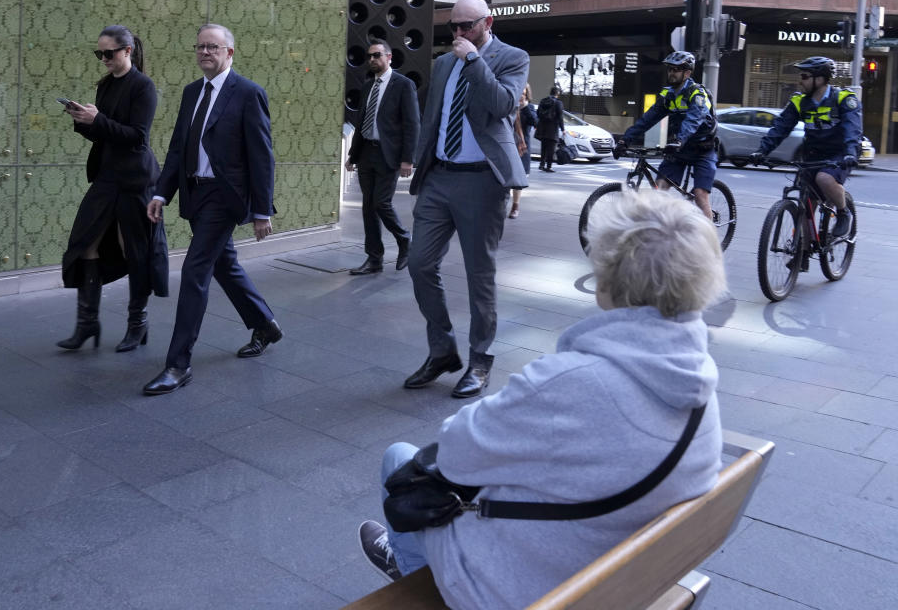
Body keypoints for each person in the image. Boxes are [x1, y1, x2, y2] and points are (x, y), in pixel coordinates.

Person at [358, 190, 726, 609]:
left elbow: (455, 453)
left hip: (527, 593)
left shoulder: (570, 381)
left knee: (399, 458)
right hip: (618, 580)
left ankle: (413, 576)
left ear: (609, 277)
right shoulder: (697, 382)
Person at [404, 0, 529, 399]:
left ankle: (480, 359)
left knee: (480, 276)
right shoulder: (442, 64)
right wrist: (418, 164)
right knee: (420, 263)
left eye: (467, 26)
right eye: (453, 27)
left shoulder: (512, 57)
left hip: (481, 182)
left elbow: (502, 105)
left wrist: (475, 60)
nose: (458, 34)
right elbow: (433, 118)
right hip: (439, 176)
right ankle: (442, 350)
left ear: (487, 23)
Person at [143, 23, 279, 396]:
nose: (205, 52)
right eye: (200, 47)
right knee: (225, 264)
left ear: (229, 53)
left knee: (194, 270)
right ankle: (264, 324)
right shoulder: (191, 93)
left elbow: (261, 156)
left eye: (213, 47)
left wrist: (261, 210)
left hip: (225, 196)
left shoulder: (248, 93)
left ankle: (177, 364)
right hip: (195, 194)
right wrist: (161, 193)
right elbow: (177, 148)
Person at [57, 25, 168, 352]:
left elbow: (137, 137)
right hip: (106, 178)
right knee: (84, 244)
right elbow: (103, 133)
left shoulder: (144, 87)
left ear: (128, 51)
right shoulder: (105, 85)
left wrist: (98, 120)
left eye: (109, 53)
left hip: (135, 180)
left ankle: (138, 324)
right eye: (99, 53)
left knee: (135, 250)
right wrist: (82, 120)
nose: (103, 58)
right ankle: (87, 324)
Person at [750, 56, 861, 238]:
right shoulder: (799, 102)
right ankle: (802, 250)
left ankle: (843, 213)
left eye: (804, 76)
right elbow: (780, 128)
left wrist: (850, 153)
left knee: (824, 179)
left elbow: (852, 128)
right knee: (805, 203)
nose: (800, 81)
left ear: (820, 79)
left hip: (839, 154)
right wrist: (762, 151)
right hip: (812, 155)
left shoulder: (843, 99)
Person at [345, 39, 420, 275]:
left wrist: (408, 159)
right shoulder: (368, 86)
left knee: (381, 203)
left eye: (376, 55)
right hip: (366, 152)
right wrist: (353, 156)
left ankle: (404, 239)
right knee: (368, 207)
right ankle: (374, 259)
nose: (372, 60)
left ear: (389, 57)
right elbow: (361, 123)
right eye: (369, 56)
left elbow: (412, 124)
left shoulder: (403, 85)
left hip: (389, 154)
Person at [615, 51, 717, 220]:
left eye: (676, 70)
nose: (671, 73)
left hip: (703, 150)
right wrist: (626, 140)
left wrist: (679, 140)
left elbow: (694, 120)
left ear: (687, 73)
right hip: (680, 149)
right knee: (659, 189)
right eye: (670, 69)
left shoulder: (697, 94)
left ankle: (711, 243)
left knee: (700, 195)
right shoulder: (668, 95)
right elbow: (648, 119)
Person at [509, 83, 536, 219]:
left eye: (524, 93)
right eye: (520, 92)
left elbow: (535, 122)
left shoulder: (529, 108)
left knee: (518, 179)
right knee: (504, 176)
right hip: (507, 146)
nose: (521, 95)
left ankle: (515, 206)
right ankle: (500, 204)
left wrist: (525, 108)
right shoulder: (509, 106)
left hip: (522, 148)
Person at [535, 85, 564, 172]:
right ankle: (549, 166)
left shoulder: (543, 101)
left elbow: (538, 113)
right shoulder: (558, 103)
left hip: (543, 128)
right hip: (553, 128)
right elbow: (560, 116)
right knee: (551, 149)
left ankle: (541, 164)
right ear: (557, 94)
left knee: (543, 147)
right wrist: (563, 129)